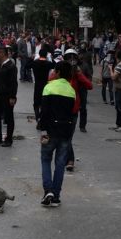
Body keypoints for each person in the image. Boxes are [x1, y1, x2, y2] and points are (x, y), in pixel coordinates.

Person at [38, 61, 76, 207]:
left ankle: (48, 190)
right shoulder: (71, 91)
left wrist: (43, 130)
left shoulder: (49, 87)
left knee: (46, 160)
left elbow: (44, 112)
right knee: (60, 164)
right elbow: (71, 113)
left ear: (58, 72)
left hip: (50, 131)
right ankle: (56, 195)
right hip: (65, 132)